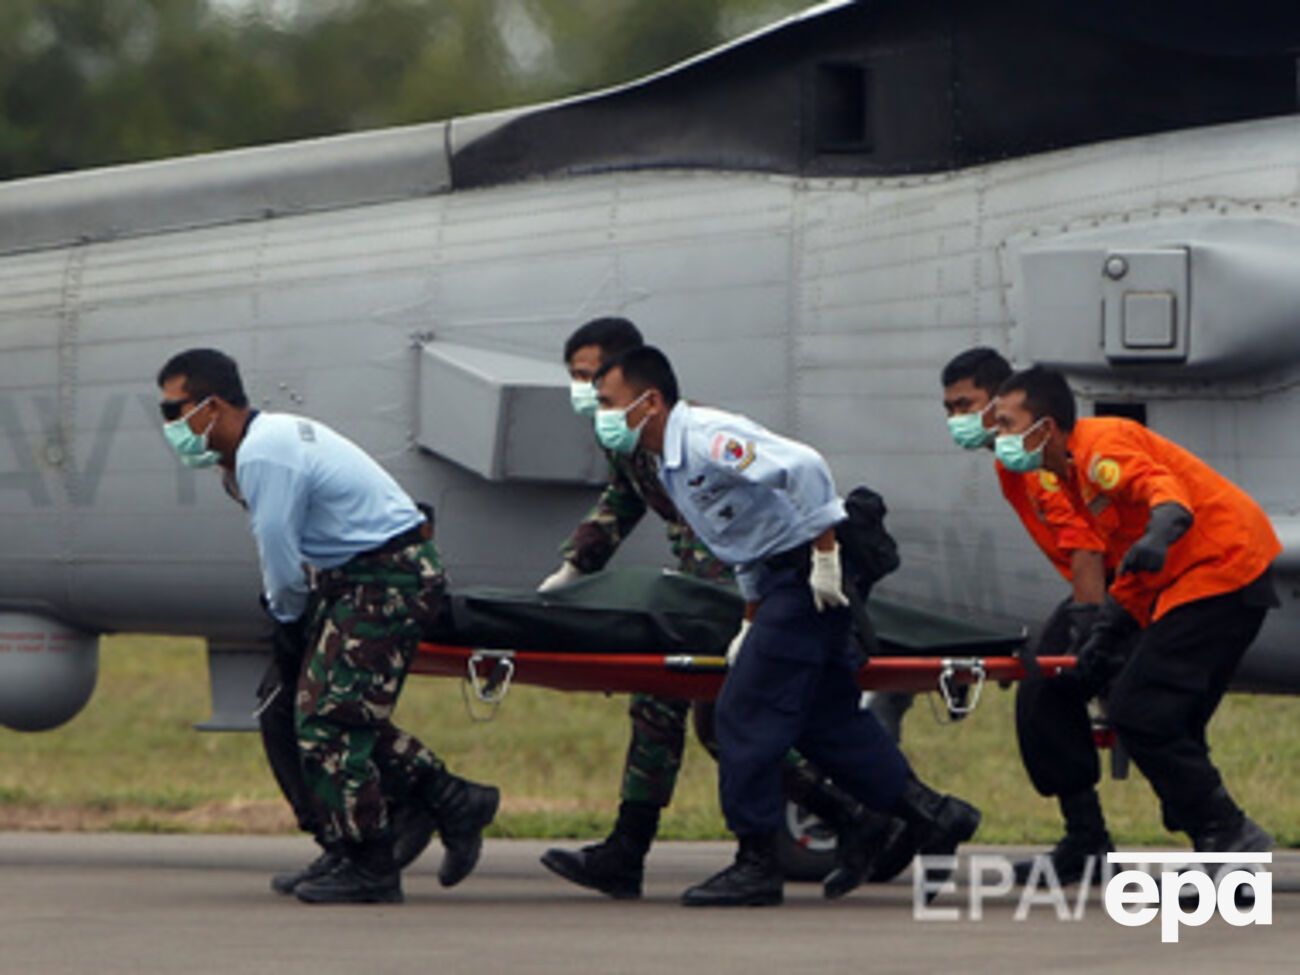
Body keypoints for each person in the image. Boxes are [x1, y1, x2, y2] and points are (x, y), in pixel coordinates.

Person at [592, 345, 980, 907]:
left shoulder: (702, 438)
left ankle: (756, 863)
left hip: (808, 578)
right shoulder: (665, 462)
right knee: (825, 722)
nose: (600, 413)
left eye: (609, 401)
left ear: (648, 401)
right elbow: (745, 542)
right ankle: (932, 813)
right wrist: (750, 620)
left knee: (740, 715)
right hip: (779, 582)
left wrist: (825, 558)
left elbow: (804, 468)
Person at [540, 318, 886, 901]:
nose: (585, 391)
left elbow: (750, 513)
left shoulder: (690, 433)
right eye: (578, 378)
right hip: (728, 584)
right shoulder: (625, 432)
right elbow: (623, 499)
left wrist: (726, 601)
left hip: (735, 584)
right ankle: (846, 817)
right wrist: (576, 565)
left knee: (718, 717)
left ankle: (847, 817)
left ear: (639, 383)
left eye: (591, 377)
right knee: (694, 715)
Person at [156, 348, 499, 904]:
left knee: (329, 719)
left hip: (388, 578)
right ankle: (435, 805)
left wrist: (287, 623)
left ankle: (371, 865)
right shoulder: (251, 451)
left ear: (211, 407)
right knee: (303, 708)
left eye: (175, 412)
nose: (169, 427)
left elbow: (280, 557)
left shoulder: (265, 455)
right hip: (354, 580)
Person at [993, 365, 1280, 854]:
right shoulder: (1064, 476)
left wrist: (1160, 531)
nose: (997, 437)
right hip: (1196, 578)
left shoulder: (1100, 449)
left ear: (1046, 427)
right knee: (1159, 713)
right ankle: (1217, 840)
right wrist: (1110, 627)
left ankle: (1230, 835)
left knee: (1143, 709)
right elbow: (1130, 556)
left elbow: (1166, 497)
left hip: (1223, 567)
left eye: (1006, 423)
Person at [941, 348, 1116, 884]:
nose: (957, 421)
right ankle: (1085, 836)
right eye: (948, 409)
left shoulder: (1035, 466)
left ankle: (1208, 838)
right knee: (1043, 687)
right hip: (1107, 589)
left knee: (1067, 686)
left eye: (965, 405)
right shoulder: (1009, 464)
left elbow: (1087, 547)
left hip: (1121, 590)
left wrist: (1090, 628)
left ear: (1000, 403)